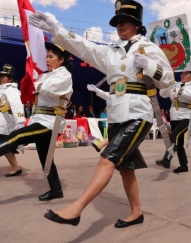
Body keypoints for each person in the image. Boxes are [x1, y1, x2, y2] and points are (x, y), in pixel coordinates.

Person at [29, 0, 173, 227]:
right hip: (116, 114)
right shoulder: (111, 52)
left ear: (137, 25)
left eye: (125, 21)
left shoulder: (150, 49)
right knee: (126, 168)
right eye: (117, 22)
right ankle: (137, 213)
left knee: (107, 159)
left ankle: (76, 209)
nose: (120, 25)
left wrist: (151, 66)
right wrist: (58, 29)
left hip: (138, 114)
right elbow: (85, 48)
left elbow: (168, 82)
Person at [0, 43, 73, 200]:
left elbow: (47, 88)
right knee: (46, 160)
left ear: (61, 60)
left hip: (50, 122)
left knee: (17, 136)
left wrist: (35, 78)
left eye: (51, 57)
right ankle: (56, 190)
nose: (47, 60)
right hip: (40, 118)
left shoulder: (64, 76)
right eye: (46, 56)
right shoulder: (46, 75)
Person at [156, 63, 191, 173]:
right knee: (179, 143)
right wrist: (169, 83)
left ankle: (167, 158)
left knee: (174, 136)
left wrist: (178, 90)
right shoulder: (176, 84)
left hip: (187, 117)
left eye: (186, 73)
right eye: (182, 73)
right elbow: (163, 94)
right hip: (175, 116)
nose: (183, 75)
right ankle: (184, 165)